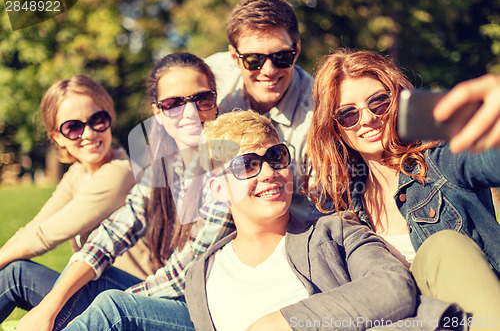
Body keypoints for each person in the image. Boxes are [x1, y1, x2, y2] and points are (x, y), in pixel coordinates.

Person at [62, 110, 462, 331]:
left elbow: (394, 289)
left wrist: (281, 323)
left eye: (276, 158)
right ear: (217, 189)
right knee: (108, 306)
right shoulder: (203, 272)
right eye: (247, 165)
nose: (269, 173)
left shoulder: (333, 230)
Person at [3, 52, 234, 331]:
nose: (190, 112)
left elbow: (183, 275)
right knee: (33, 278)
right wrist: (49, 306)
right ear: (158, 113)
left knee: (110, 305)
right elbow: (108, 236)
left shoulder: (227, 166)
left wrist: (88, 307)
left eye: (201, 99)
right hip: (157, 293)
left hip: (204, 309)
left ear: (215, 101)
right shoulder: (165, 167)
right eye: (173, 103)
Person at [306, 48, 500, 330]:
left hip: (475, 317)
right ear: (334, 127)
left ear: (397, 100)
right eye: (348, 114)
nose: (368, 118)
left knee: (445, 246)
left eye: (379, 102)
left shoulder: (442, 161)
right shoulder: (336, 202)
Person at [0, 75, 135, 315]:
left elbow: (45, 237)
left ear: (109, 118)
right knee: (12, 270)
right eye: (73, 127)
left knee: (16, 276)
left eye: (97, 120)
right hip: (100, 291)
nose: (89, 133)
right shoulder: (78, 173)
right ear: (57, 137)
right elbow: (35, 228)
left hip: (131, 299)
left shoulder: (120, 173)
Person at [205, 0, 315, 217]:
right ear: (234, 57)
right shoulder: (208, 79)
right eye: (254, 59)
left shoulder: (318, 113)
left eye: (281, 57)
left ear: (297, 49)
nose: (268, 70)